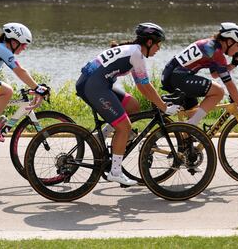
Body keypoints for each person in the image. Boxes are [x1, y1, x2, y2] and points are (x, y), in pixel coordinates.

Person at [76, 22, 179, 186]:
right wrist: (164, 107)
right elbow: (145, 86)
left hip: (96, 83)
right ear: (149, 42)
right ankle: (115, 172)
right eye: (158, 44)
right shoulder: (136, 54)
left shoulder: (132, 51)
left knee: (132, 105)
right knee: (124, 127)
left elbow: (142, 86)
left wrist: (158, 101)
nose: (159, 49)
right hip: (94, 86)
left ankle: (101, 136)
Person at [161, 22, 238, 126]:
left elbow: (215, 74)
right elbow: (228, 84)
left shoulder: (211, 45)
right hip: (178, 77)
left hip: (171, 75)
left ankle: (188, 132)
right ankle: (191, 125)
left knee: (194, 111)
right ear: (229, 41)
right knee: (218, 92)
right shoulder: (216, 52)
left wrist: (232, 65)